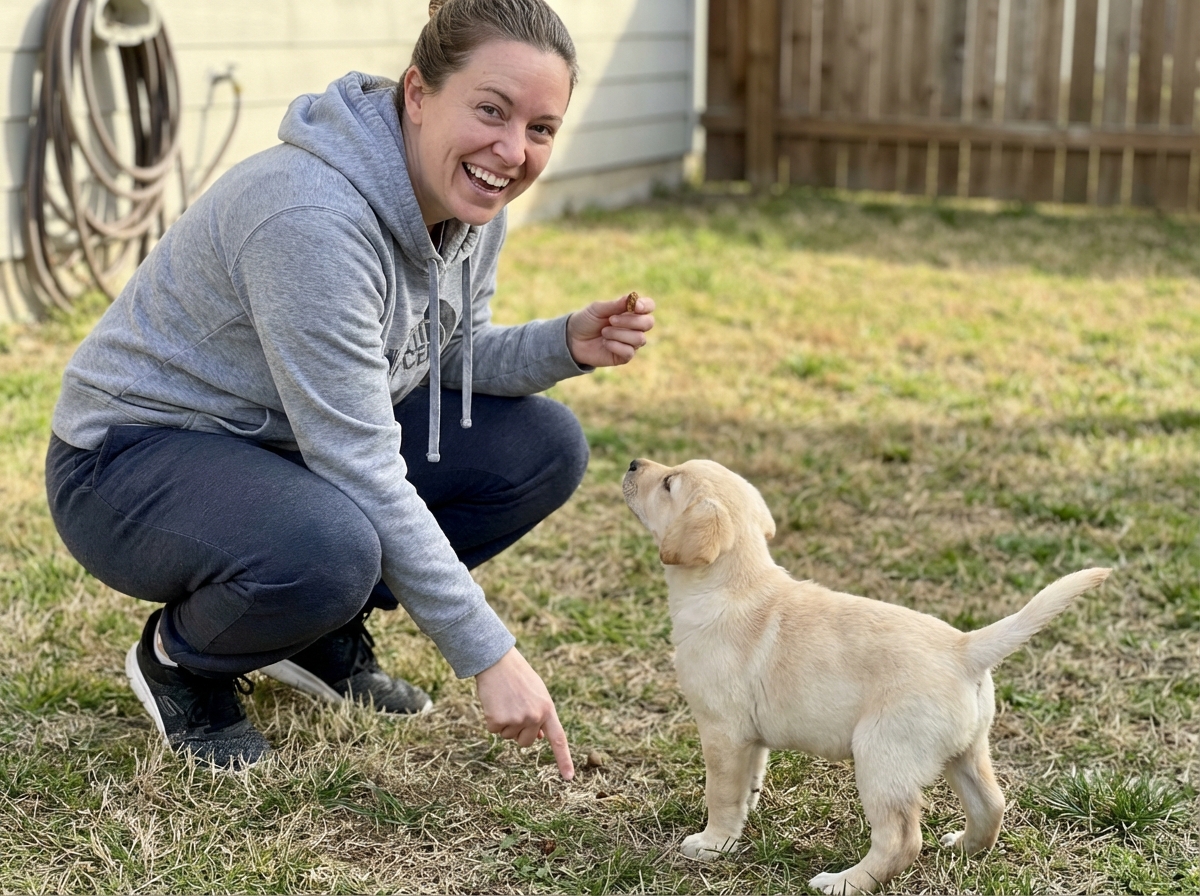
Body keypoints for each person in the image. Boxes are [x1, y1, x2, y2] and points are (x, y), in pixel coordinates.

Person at [44, 0, 654, 776]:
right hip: (128, 461)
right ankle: (183, 661)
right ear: (418, 93)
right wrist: (490, 655)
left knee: (541, 446)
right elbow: (358, 462)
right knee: (332, 544)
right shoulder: (310, 217)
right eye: (492, 110)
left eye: (540, 128)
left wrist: (565, 342)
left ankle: (308, 634)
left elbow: (442, 354)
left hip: (280, 447)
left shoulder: (471, 203)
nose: (511, 151)